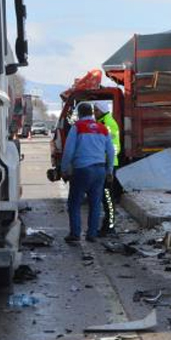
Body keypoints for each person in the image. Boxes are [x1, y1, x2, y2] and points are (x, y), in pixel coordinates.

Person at [59, 102, 116, 243]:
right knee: (95, 203)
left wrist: (64, 169)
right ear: (91, 113)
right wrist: (109, 170)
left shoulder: (77, 127)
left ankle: (75, 233)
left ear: (79, 114)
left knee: (74, 203)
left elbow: (69, 150)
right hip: (99, 170)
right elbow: (110, 151)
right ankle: (92, 234)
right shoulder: (103, 128)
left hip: (82, 169)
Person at [94, 103, 121, 235]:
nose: (94, 112)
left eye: (96, 110)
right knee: (104, 196)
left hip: (108, 165)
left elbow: (113, 147)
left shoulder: (108, 124)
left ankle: (110, 225)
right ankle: (107, 225)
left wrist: (108, 165)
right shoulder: (101, 122)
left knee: (108, 196)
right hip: (104, 164)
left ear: (102, 110)